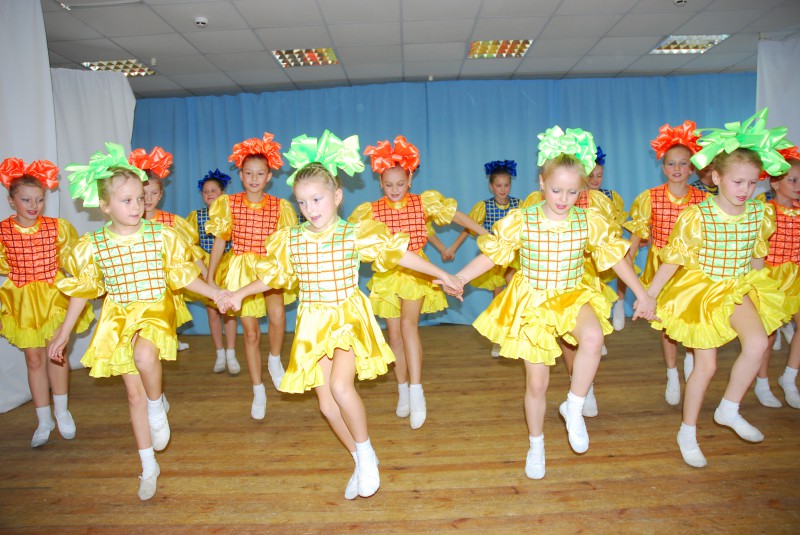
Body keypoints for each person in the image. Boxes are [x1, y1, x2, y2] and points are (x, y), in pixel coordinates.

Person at [219, 130, 463, 499]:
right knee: (327, 405)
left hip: (347, 318)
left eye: (317, 199)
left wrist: (441, 273)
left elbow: (399, 254)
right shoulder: (293, 239)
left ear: (336, 197)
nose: (310, 209)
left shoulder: (353, 234)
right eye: (302, 202)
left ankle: (365, 454)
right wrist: (238, 292)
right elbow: (273, 275)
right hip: (312, 323)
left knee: (340, 386)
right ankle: (361, 458)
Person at [455, 126, 656, 480]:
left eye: (572, 191)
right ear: (542, 183)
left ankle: (573, 406)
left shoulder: (588, 220)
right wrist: (460, 278)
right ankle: (536, 444)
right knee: (536, 384)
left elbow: (616, 258)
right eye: (556, 190)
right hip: (532, 299)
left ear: (582, 189)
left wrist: (642, 293)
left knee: (593, 338)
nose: (564, 199)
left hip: (570, 294)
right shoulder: (523, 219)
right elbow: (493, 256)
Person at [48, 143, 225, 499]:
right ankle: (148, 466)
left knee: (145, 356)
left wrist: (215, 293)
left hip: (155, 308)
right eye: (126, 200)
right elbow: (83, 291)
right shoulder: (93, 244)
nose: (136, 206)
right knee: (132, 396)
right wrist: (64, 333)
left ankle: (158, 405)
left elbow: (182, 275)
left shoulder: (161, 235)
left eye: (140, 199)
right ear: (105, 206)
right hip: (118, 317)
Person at [647, 108, 789, 468]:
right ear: (716, 178)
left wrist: (761, 293)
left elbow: (756, 257)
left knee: (757, 344)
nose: (746, 190)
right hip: (702, 291)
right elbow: (673, 260)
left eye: (752, 183)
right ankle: (688, 431)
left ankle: (729, 408)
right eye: (738, 182)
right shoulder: (698, 215)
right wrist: (649, 296)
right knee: (705, 366)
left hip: (737, 286)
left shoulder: (759, 213)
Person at [348, 135, 487, 429]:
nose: (394, 190)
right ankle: (402, 391)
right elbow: (348, 238)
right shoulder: (370, 210)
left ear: (410, 179)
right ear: (380, 183)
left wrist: (486, 234)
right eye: (388, 184)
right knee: (394, 335)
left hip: (415, 273)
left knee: (409, 326)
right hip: (387, 275)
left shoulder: (423, 202)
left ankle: (416, 390)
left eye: (400, 183)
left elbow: (458, 217)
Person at [0, 157, 94, 448]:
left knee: (56, 353)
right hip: (23, 301)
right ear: (11, 201)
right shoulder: (3, 231)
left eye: (39, 199)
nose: (34, 205)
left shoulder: (57, 227)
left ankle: (62, 411)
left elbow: (72, 260)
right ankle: (43, 419)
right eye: (26, 199)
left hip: (54, 297)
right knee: (34, 359)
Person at [205, 132, 297, 420]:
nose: (254, 178)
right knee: (251, 332)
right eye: (248, 173)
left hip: (269, 267)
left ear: (269, 176)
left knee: (278, 316)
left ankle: (274, 359)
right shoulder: (228, 203)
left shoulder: (280, 206)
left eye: (260, 173)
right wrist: (210, 277)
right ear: (241, 175)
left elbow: (286, 244)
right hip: (241, 269)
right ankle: (258, 389)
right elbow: (220, 241)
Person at [624, 121, 707, 406]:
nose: (677, 168)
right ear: (663, 167)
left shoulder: (703, 199)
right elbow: (637, 235)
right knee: (666, 322)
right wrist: (628, 262)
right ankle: (672, 372)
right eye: (671, 163)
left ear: (691, 168)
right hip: (661, 264)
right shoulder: (650, 197)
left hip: (692, 267)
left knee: (692, 317)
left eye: (683, 163)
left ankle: (691, 358)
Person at [445, 159, 520, 357]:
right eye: (498, 185)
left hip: (513, 258)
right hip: (492, 260)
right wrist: (453, 247)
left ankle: (518, 335)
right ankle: (497, 340)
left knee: (517, 292)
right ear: (491, 186)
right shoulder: (484, 207)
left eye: (506, 185)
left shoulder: (518, 205)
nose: (503, 189)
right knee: (498, 297)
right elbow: (467, 227)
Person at [130, 146, 200, 353]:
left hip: (166, 290)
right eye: (144, 194)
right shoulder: (129, 223)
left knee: (156, 345)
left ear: (161, 194)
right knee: (137, 345)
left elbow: (192, 253)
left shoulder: (172, 222)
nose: (149, 199)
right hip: (137, 291)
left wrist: (210, 282)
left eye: (154, 193)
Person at [751, 146, 800, 408]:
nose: (798, 186)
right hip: (771, 276)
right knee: (768, 336)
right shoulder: (765, 210)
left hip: (797, 276)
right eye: (792, 180)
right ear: (775, 182)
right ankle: (762, 382)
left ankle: (789, 378)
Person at [186, 169, 240, 375]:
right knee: (213, 312)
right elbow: (190, 244)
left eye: (214, 190)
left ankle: (231, 353)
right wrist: (203, 269)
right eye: (205, 191)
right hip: (207, 266)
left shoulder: (232, 214)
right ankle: (219, 353)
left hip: (228, 265)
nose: (209, 194)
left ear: (223, 193)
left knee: (230, 311)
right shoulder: (196, 216)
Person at [588, 146, 629, 332]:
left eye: (599, 175)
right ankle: (598, 327)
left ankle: (620, 302)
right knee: (595, 289)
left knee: (626, 260)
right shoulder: (577, 196)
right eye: (591, 175)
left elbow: (618, 221)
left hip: (608, 242)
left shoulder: (610, 196)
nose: (595, 179)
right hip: (589, 248)